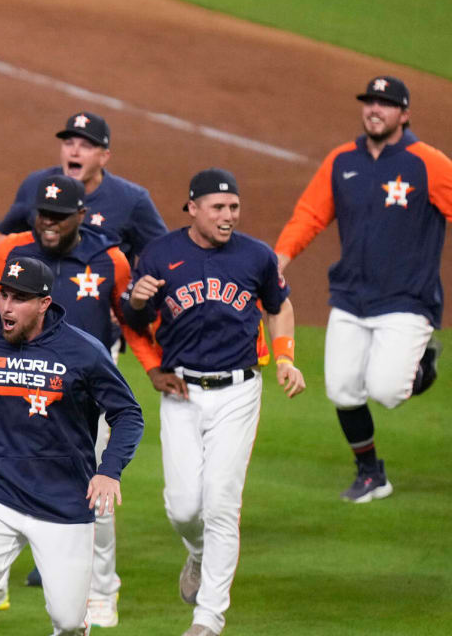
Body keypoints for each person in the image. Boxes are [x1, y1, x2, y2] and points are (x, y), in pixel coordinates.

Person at [0, 174, 162, 624]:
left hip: (82, 387)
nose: (49, 223)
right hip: (10, 381)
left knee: (94, 491)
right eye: (43, 213)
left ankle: (99, 593)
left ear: (80, 216)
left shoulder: (108, 258)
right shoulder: (14, 252)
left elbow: (128, 319)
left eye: (59, 216)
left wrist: (151, 361)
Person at [0, 257, 145, 636]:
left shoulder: (82, 351)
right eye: (3, 295)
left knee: (68, 621)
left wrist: (109, 470)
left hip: (64, 503)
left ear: (43, 303)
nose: (6, 306)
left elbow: (128, 414)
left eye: (19, 298)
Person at [122, 168, 307, 636]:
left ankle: (208, 619)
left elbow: (279, 305)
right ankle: (200, 554)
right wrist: (138, 300)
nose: (229, 216)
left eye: (234, 208)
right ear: (193, 209)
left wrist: (284, 358)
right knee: (183, 508)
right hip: (181, 392)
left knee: (222, 503)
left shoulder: (256, 256)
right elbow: (131, 318)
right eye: (219, 208)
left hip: (239, 391)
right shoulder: (161, 254)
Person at [275, 76, 449, 502]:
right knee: (341, 389)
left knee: (388, 392)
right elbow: (309, 216)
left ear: (404, 114)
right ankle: (370, 473)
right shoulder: (341, 161)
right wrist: (279, 258)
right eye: (370, 102)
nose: (375, 109)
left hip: (407, 299)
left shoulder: (428, 163)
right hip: (351, 297)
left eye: (386, 104)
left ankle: (423, 363)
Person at [0, 112, 166, 260]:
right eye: (68, 144)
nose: (74, 151)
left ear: (104, 157)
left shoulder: (132, 200)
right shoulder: (36, 184)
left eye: (85, 146)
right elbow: (5, 233)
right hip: (40, 292)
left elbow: (162, 255)